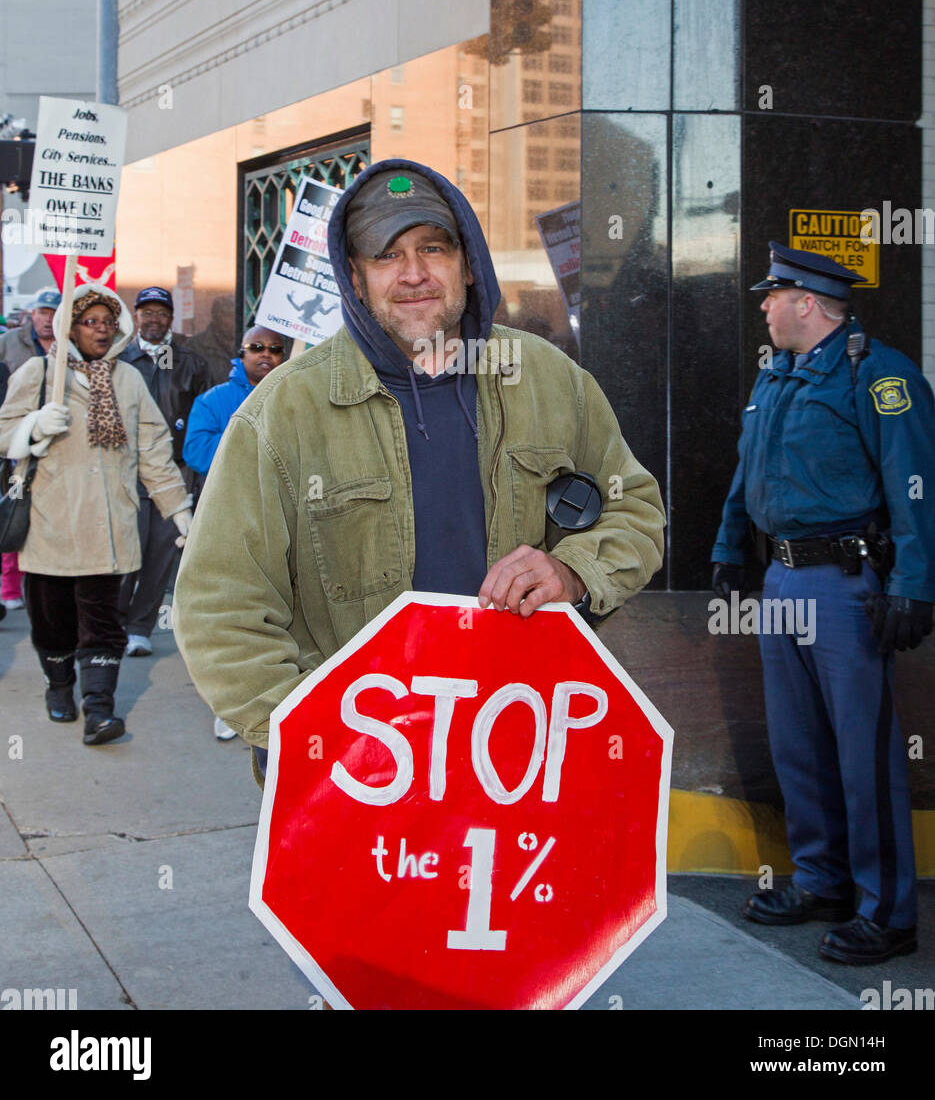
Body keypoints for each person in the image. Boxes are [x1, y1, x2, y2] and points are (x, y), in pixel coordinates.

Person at [173, 159, 665, 784]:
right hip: (355, 776)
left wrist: (573, 570)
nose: (414, 274)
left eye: (433, 248)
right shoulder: (281, 414)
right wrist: (316, 736)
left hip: (522, 755)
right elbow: (220, 606)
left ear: (466, 261)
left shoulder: (549, 380)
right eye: (387, 255)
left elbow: (636, 511)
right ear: (354, 275)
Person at [711, 242, 935, 965]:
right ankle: (820, 881)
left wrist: (913, 585)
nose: (764, 307)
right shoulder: (774, 376)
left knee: (864, 751)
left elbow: (916, 487)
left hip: (844, 584)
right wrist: (726, 545)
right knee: (797, 744)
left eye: (771, 296)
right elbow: (749, 468)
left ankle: (887, 910)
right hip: (781, 580)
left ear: (807, 301)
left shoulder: (878, 375)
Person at [0, 283, 191, 744]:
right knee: (53, 622)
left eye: (109, 323)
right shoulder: (40, 372)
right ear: (71, 327)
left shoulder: (128, 379)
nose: (101, 330)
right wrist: (32, 426)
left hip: (111, 527)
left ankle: (99, 709)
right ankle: (60, 685)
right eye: (91, 322)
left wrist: (179, 512)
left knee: (104, 622)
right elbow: (4, 433)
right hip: (51, 526)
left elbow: (153, 450)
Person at [183, 323, 285, 738]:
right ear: (240, 355)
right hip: (232, 517)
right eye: (256, 347)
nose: (265, 355)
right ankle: (230, 706)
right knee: (232, 609)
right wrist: (247, 448)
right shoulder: (214, 400)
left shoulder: (295, 393)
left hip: (283, 518)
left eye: (275, 349)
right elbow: (194, 451)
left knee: (278, 611)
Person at [118, 287, 212, 656]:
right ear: (136, 316)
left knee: (159, 554)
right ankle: (115, 621)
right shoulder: (121, 358)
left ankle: (139, 628)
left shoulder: (189, 361)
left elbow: (202, 417)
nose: (154, 319)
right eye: (147, 312)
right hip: (125, 473)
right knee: (126, 553)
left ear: (171, 319)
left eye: (161, 313)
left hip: (172, 474)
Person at [0, 288, 60, 612]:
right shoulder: (9, 344)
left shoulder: (70, 347)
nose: (47, 319)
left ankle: (37, 584)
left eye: (53, 313)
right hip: (14, 444)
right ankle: (9, 588)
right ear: (31, 314)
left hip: (55, 444)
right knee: (12, 511)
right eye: (42, 312)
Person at [187, 294, 237, 387]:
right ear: (215, 317)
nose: (234, 320)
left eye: (236, 315)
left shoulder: (248, 346)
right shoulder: (194, 347)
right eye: (228, 315)